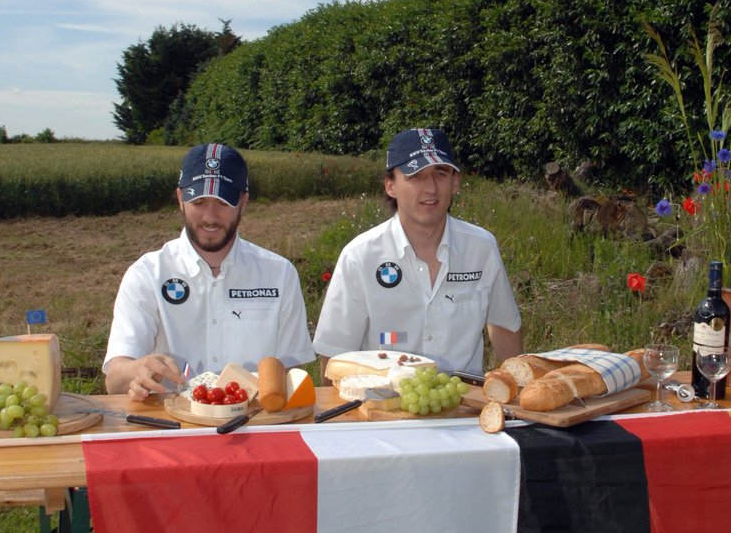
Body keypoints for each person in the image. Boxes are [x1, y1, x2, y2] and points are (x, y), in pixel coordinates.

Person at [104, 142, 314, 402]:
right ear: (180, 198)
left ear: (243, 202)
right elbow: (114, 379)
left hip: (254, 425)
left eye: (223, 203)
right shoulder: (146, 274)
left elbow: (292, 373)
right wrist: (138, 370)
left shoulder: (279, 274)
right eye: (199, 202)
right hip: (172, 426)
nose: (210, 218)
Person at [313, 128, 523, 377]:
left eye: (440, 174)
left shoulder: (481, 247)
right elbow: (335, 356)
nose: (431, 188)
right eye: (416, 176)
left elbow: (503, 324)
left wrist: (519, 392)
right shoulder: (359, 257)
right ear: (391, 186)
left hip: (465, 407)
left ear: (455, 182)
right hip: (385, 408)